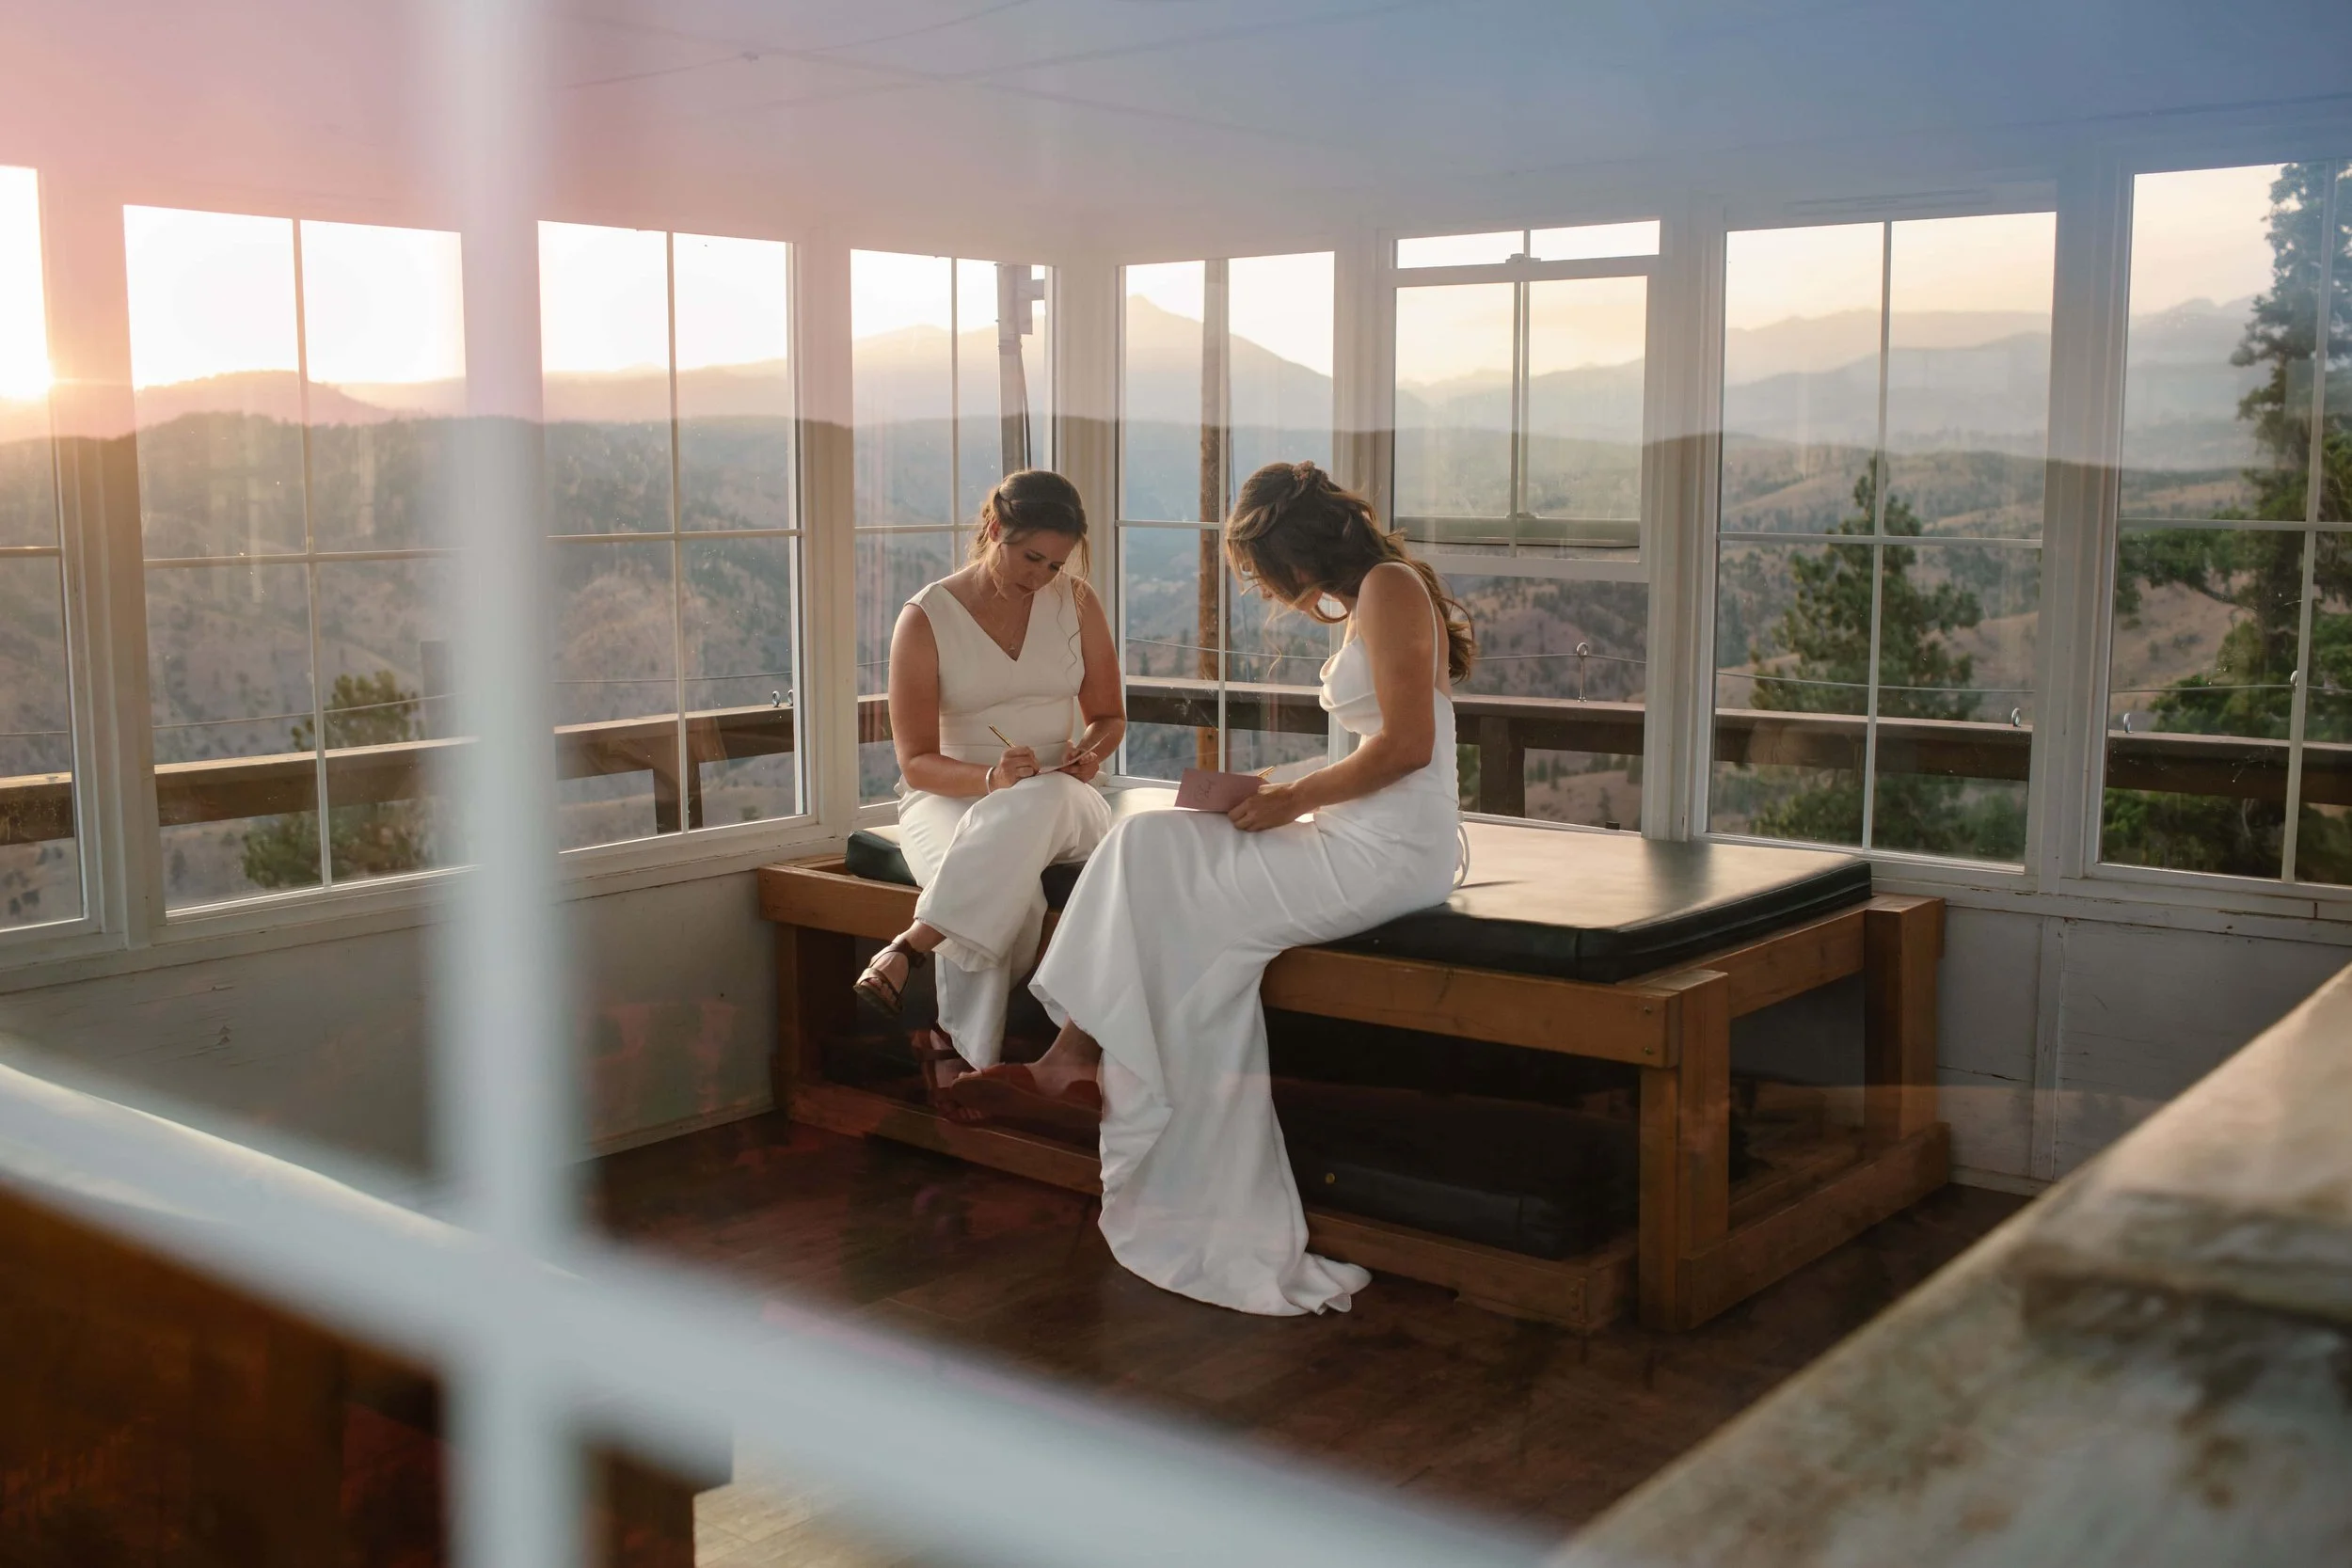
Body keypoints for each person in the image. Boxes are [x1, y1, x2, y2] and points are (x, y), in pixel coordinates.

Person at [961, 459, 1475, 1316]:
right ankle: (1075, 1058)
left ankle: (1078, 1059)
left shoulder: (1390, 589)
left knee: (1154, 856)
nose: (1268, 590)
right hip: (1361, 831)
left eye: (1260, 571)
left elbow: (1411, 747)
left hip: (1390, 853)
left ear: (1293, 549)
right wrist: (1282, 782)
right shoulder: (1376, 594)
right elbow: (1381, 740)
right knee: (1149, 844)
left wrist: (1293, 800)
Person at [852, 469, 1124, 1116]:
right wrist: (988, 780)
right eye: (1032, 557)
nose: (1042, 575)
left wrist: (1090, 752)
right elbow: (915, 762)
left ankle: (915, 959)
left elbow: (1109, 714)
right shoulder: (925, 618)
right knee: (1013, 889)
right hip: (950, 793)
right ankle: (988, 1060)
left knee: (1037, 801)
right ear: (995, 529)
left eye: (1056, 563)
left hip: (1063, 795)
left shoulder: (1077, 603)